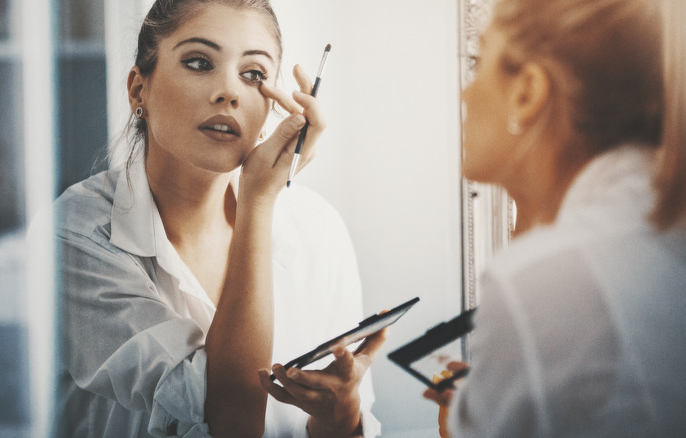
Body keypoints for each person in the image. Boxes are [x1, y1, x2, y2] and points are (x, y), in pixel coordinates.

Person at [52, 0, 384, 437]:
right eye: (198, 62)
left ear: (272, 109)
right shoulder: (75, 235)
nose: (229, 91)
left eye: (254, 75)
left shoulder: (316, 228)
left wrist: (341, 417)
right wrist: (257, 205)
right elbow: (231, 419)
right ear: (139, 90)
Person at [424, 0, 686, 436]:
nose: (463, 93)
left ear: (527, 91)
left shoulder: (539, 281)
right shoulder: (654, 227)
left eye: (479, 61)